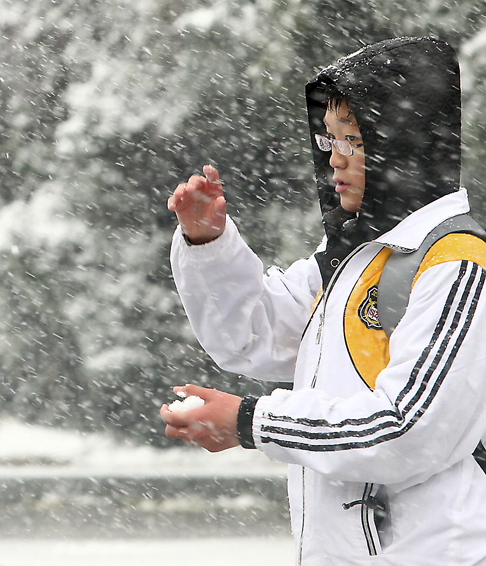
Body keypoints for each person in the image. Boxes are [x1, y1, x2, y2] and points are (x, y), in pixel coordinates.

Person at [160, 36, 486, 565]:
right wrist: (208, 244)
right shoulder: (349, 259)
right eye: (328, 138)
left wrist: (250, 422)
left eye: (352, 141)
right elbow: (252, 338)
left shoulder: (458, 264)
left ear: (400, 147)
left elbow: (409, 430)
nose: (332, 158)